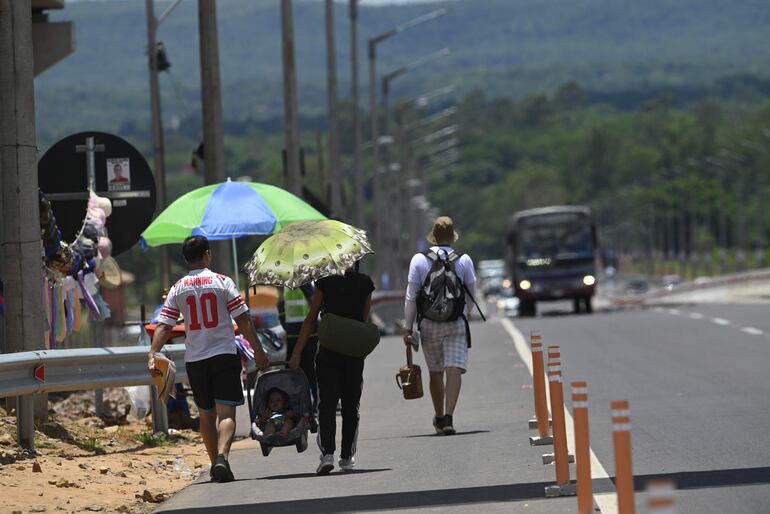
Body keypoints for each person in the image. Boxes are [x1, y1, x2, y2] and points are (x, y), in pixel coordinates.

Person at [148, 235, 269, 483]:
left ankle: (215, 462)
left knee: (206, 415)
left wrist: (153, 353)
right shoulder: (223, 282)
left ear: (185, 258)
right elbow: (243, 320)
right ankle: (223, 457)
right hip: (223, 354)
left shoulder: (178, 287)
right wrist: (258, 350)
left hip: (196, 359)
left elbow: (164, 325)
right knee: (226, 414)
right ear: (207, 255)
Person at [290, 260, 375, 475]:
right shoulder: (365, 283)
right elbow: (364, 318)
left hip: (328, 351)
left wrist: (297, 353)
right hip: (354, 352)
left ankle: (327, 453)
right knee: (351, 405)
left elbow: (310, 320)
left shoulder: (325, 282)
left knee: (326, 403)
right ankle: (346, 456)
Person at [403, 216, 478, 435]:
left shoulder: (419, 259)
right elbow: (472, 294)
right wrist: (462, 313)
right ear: (452, 237)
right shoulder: (464, 260)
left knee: (435, 372)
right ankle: (448, 416)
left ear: (433, 237)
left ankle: (438, 416)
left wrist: (408, 327)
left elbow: (411, 296)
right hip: (455, 322)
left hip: (429, 323)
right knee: (453, 367)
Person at [278, 283, 318, 429]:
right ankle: (311, 407)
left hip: (294, 335)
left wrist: (287, 327)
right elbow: (315, 305)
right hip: (310, 335)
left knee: (297, 374)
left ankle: (304, 408)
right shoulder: (307, 283)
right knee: (311, 373)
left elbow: (281, 308)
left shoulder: (286, 285)